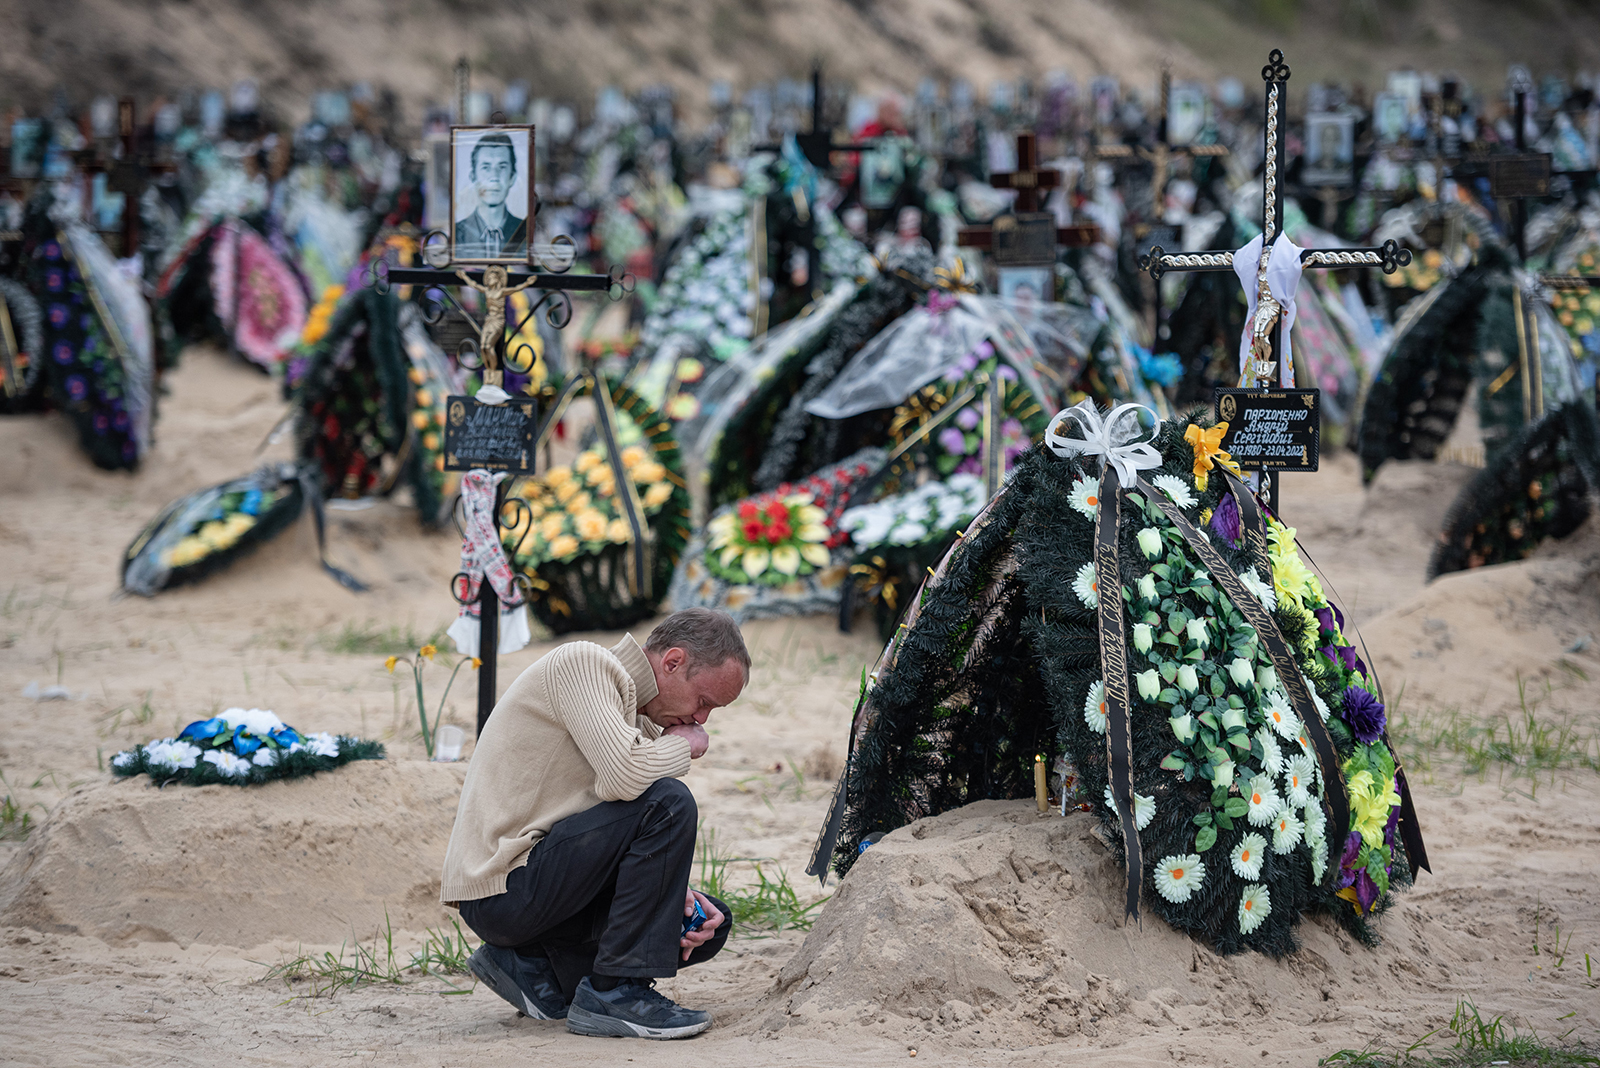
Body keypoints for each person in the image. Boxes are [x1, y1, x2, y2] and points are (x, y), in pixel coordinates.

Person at [441, 608, 750, 1039]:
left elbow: (598, 821)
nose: (702, 720)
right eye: (703, 702)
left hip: (545, 890)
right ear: (673, 661)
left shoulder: (637, 717)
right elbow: (624, 778)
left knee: (703, 923)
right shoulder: (585, 663)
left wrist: (666, 888)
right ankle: (617, 992)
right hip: (502, 886)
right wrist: (681, 747)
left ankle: (532, 962)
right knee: (668, 802)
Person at [454, 131, 528, 260]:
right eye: (486, 167)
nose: (494, 177)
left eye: (502, 167)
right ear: (473, 176)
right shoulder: (457, 234)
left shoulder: (524, 231)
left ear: (512, 177)